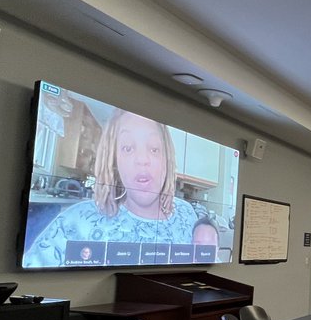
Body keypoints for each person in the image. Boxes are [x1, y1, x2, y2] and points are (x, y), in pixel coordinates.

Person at [23, 110, 200, 267]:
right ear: (114, 160)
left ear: (166, 158)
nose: (142, 159)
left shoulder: (187, 214)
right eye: (128, 148)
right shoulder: (73, 223)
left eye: (154, 149)